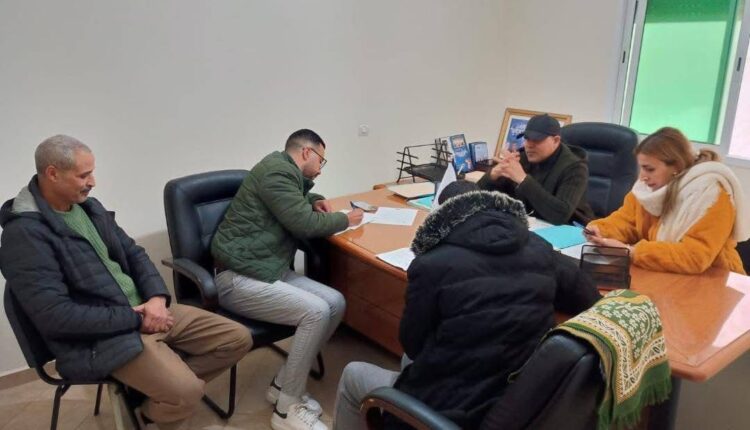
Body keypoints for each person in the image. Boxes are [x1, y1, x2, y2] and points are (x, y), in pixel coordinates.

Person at [0, 135, 252, 430]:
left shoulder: (89, 208)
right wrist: (136, 319)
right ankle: (160, 404)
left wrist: (157, 299)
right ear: (52, 173)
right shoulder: (24, 235)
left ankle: (148, 403)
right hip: (102, 337)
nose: (92, 182)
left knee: (236, 338)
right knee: (187, 392)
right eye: (83, 175)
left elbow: (134, 254)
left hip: (144, 309)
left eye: (92, 172)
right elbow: (56, 317)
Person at [333, 181, 600, 429]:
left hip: (455, 409)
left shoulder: (431, 264)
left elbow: (412, 344)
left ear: (441, 216)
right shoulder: (539, 247)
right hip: (514, 398)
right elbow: (589, 296)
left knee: (353, 374)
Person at [211, 129, 363, 430]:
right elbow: (302, 223)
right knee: (316, 311)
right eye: (321, 160)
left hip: (265, 269)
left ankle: (282, 385)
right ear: (307, 152)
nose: (321, 168)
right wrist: (346, 219)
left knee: (335, 302)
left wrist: (315, 199)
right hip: (237, 277)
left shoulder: (284, 171)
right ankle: (285, 411)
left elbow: (295, 200)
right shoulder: (277, 173)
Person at [585, 127, 749, 275]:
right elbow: (626, 221)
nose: (642, 176)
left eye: (650, 169)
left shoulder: (710, 194)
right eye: (641, 168)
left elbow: (695, 256)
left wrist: (632, 252)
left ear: (676, 167)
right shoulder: (646, 189)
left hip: (715, 278)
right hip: (663, 272)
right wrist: (601, 231)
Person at [477, 113, 594, 224]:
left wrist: (523, 179)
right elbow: (477, 197)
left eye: (537, 140)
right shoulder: (521, 157)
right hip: (530, 224)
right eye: (527, 138)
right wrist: (493, 175)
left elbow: (560, 215)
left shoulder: (575, 168)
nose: (529, 145)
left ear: (556, 140)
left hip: (569, 229)